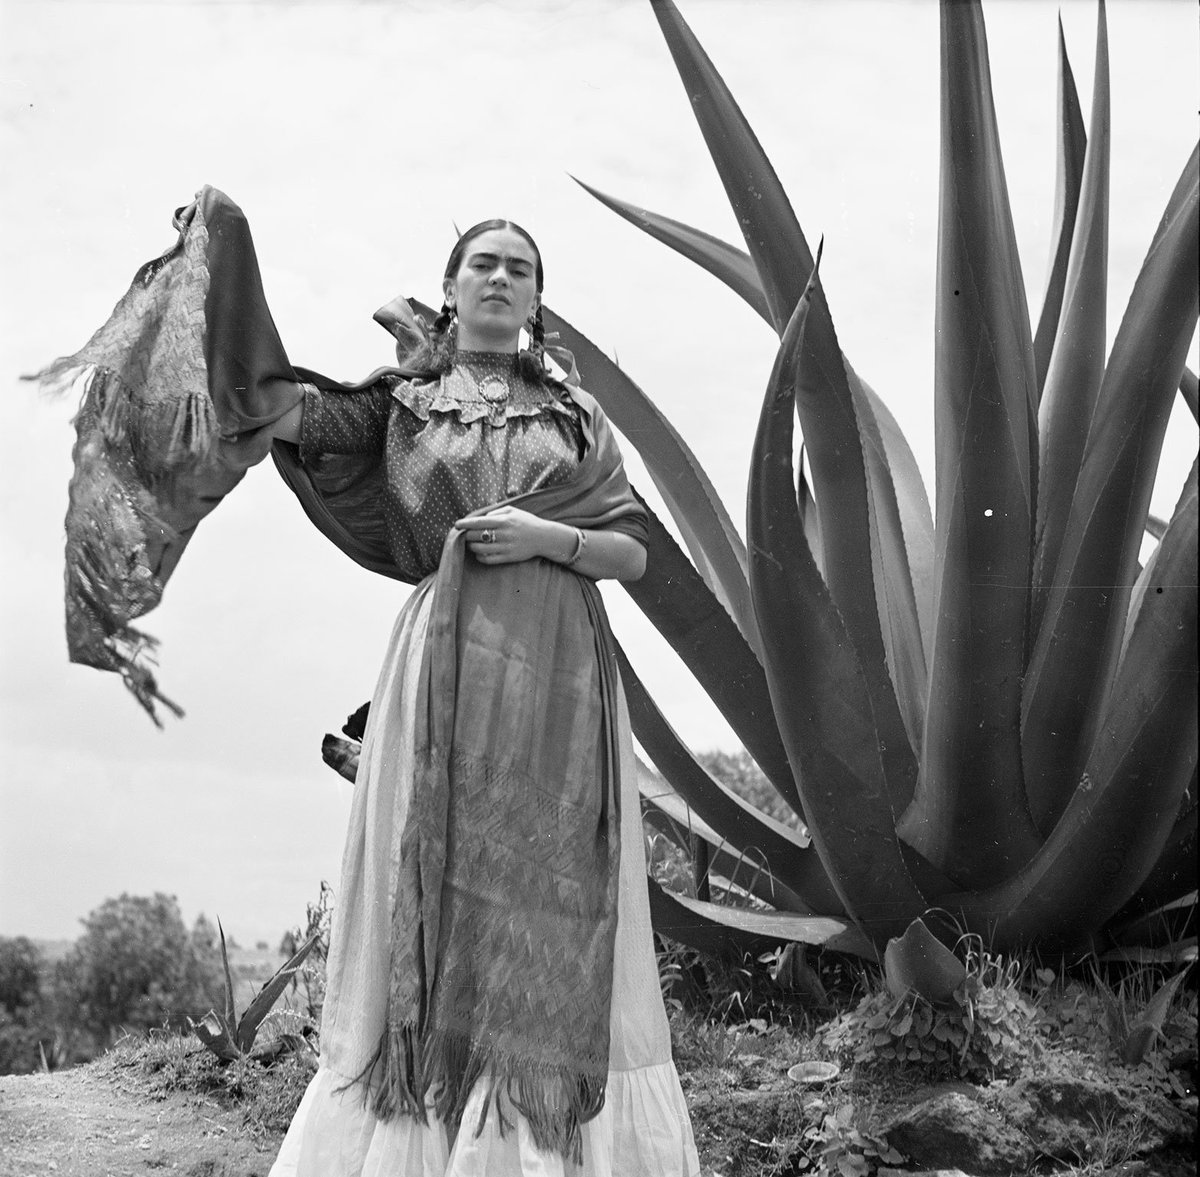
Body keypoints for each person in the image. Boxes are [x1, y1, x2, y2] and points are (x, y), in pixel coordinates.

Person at [35, 189, 699, 1176]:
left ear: (538, 301)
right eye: (485, 262)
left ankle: (539, 1145)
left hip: (561, 676)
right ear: (449, 291)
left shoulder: (577, 417)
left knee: (549, 893)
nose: (502, 276)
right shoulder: (401, 409)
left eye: (521, 266)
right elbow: (278, 406)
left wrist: (546, 537)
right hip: (445, 661)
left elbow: (635, 554)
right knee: (429, 879)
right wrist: (226, 259)